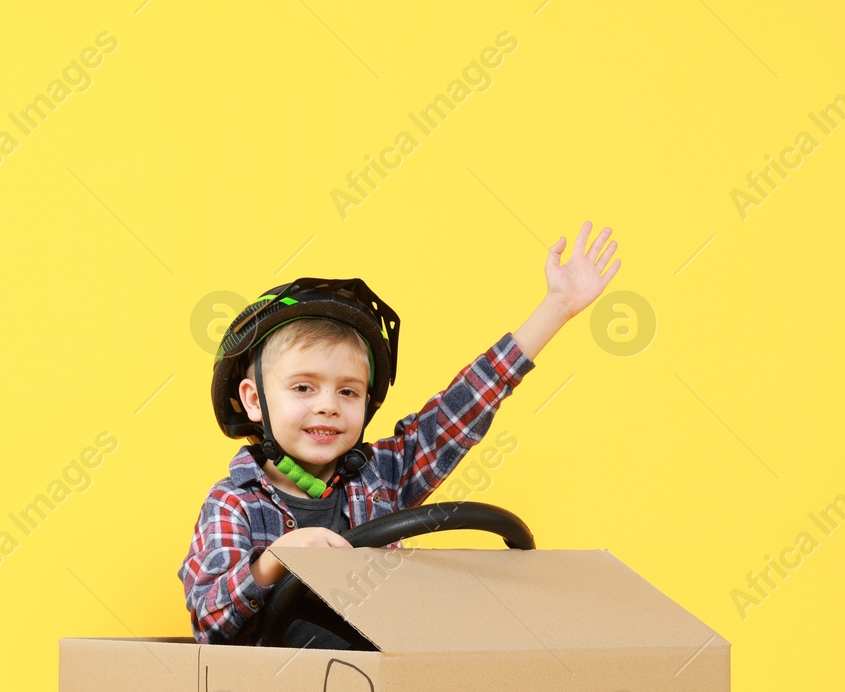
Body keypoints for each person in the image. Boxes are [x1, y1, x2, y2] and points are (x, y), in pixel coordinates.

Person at [179, 221, 622, 645]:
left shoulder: (383, 478)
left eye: (348, 391)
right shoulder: (234, 503)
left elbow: (462, 409)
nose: (328, 405)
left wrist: (556, 308)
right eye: (303, 387)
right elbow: (210, 623)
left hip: (389, 689)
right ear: (254, 401)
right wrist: (276, 558)